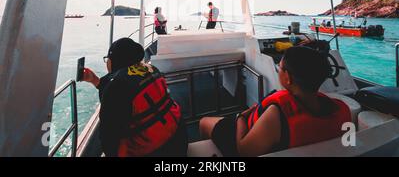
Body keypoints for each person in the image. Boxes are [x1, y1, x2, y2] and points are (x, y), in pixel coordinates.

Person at [199, 46, 351, 157]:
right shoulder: (341, 108)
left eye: (280, 67)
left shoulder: (277, 115)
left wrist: (241, 118)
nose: (278, 70)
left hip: (244, 135)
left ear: (288, 78)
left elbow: (244, 151)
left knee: (204, 122)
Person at [82, 38, 188, 157]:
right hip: (179, 141)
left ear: (113, 61)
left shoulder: (116, 87)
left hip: (154, 152)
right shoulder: (152, 69)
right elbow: (127, 86)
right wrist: (93, 80)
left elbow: (108, 138)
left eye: (107, 59)